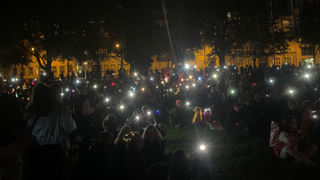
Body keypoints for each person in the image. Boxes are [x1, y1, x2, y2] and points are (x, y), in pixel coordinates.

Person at [26, 83, 76, 180]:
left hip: (37, 150)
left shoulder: (32, 111)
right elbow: (71, 128)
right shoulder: (60, 110)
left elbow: (28, 127)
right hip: (56, 150)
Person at [0, 79, 23, 180]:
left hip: (10, 142)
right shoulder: (11, 100)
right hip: (10, 141)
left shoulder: (12, 100)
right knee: (13, 171)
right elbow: (18, 121)